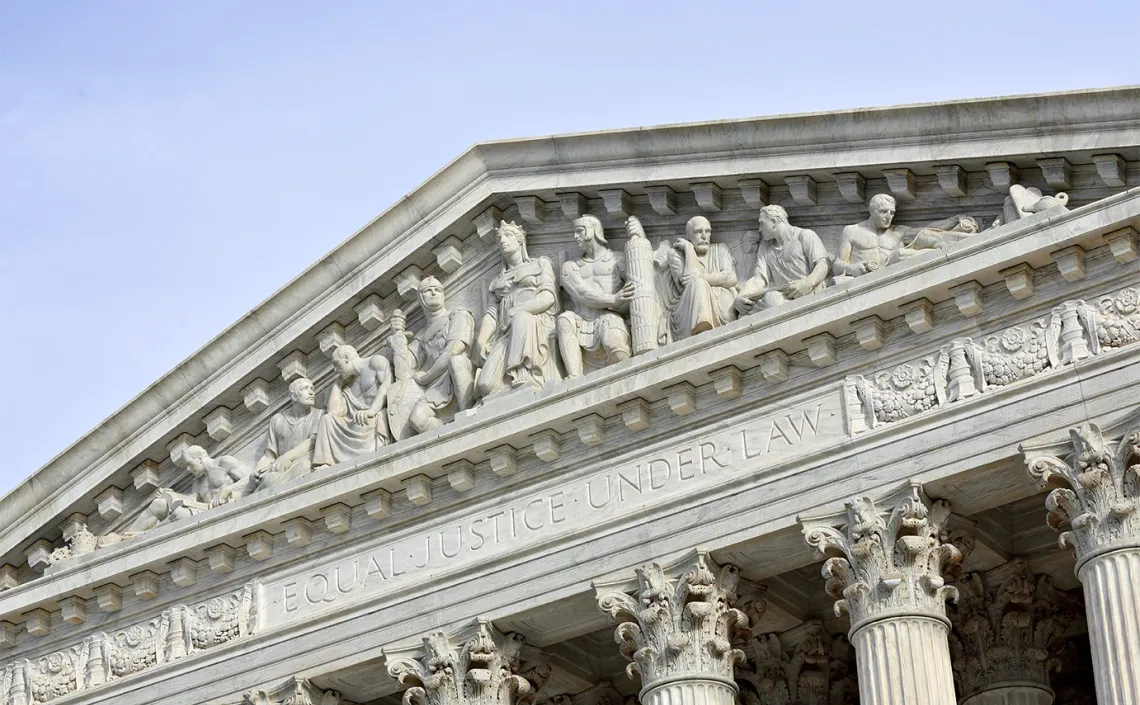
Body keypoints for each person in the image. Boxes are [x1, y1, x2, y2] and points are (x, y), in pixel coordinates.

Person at [475, 221, 561, 397]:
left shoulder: (540, 264)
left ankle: (524, 376)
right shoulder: (496, 281)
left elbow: (548, 297)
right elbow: (491, 314)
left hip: (536, 323)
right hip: (506, 332)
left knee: (522, 317)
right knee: (485, 385)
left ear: (520, 240)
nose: (502, 241)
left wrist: (517, 310)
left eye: (508, 236)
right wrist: (482, 339)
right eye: (499, 238)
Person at [389, 277, 475, 434]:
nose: (434, 292)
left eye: (438, 289)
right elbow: (405, 373)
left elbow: (454, 349)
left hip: (458, 374)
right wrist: (398, 337)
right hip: (437, 386)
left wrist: (426, 377)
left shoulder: (458, 315)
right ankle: (449, 435)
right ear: (421, 298)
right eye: (428, 290)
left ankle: (469, 416)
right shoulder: (421, 336)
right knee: (417, 419)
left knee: (456, 361)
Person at [557, 215, 634, 378]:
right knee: (564, 319)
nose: (574, 237)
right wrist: (614, 299)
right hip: (581, 321)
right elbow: (581, 293)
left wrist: (638, 239)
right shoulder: (570, 267)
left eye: (579, 231)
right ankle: (574, 378)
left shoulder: (617, 259)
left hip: (609, 318)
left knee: (617, 347)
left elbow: (636, 289)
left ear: (594, 230)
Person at [833, 194, 978, 278]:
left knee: (927, 238)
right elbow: (838, 265)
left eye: (892, 213)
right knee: (901, 254)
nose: (888, 217)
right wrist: (853, 269)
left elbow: (930, 230)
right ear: (872, 210)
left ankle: (972, 242)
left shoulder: (897, 232)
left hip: (893, 273)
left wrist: (954, 220)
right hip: (868, 276)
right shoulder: (852, 231)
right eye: (884, 212)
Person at [124, 445, 250, 533]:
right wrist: (172, 495)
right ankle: (126, 537)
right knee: (159, 504)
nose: (188, 469)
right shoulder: (198, 481)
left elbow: (250, 477)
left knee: (179, 514)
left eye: (190, 464)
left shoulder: (224, 462)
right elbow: (190, 500)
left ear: (200, 458)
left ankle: (148, 535)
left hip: (225, 508)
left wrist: (227, 490)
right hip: (206, 510)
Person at [735, 205, 830, 313]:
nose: (760, 229)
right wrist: (742, 296)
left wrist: (807, 283)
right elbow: (759, 279)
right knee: (751, 309)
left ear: (774, 222)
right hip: (785, 297)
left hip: (811, 292)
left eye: (762, 223)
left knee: (771, 300)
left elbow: (823, 265)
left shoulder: (805, 236)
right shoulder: (765, 248)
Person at [657, 215, 738, 340]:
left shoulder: (720, 249)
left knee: (701, 282)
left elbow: (731, 278)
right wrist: (689, 250)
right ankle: (702, 326)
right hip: (687, 310)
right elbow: (688, 283)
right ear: (689, 236)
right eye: (699, 232)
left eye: (708, 231)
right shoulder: (675, 254)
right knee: (698, 284)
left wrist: (702, 276)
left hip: (720, 305)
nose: (704, 236)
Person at [313, 345, 391, 467]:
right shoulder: (348, 386)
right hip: (356, 421)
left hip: (371, 418)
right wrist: (337, 384)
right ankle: (326, 462)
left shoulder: (375, 362)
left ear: (346, 358)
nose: (335, 370)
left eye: (337, 364)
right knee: (326, 420)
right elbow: (333, 413)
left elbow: (387, 386)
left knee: (360, 424)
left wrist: (371, 411)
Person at [249, 377, 323, 490]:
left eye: (312, 388)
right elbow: (269, 457)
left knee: (305, 465)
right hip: (280, 468)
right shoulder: (278, 420)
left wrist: (287, 457)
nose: (311, 392)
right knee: (267, 479)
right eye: (305, 388)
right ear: (294, 396)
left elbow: (312, 441)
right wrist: (257, 471)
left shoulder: (320, 414)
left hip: (301, 461)